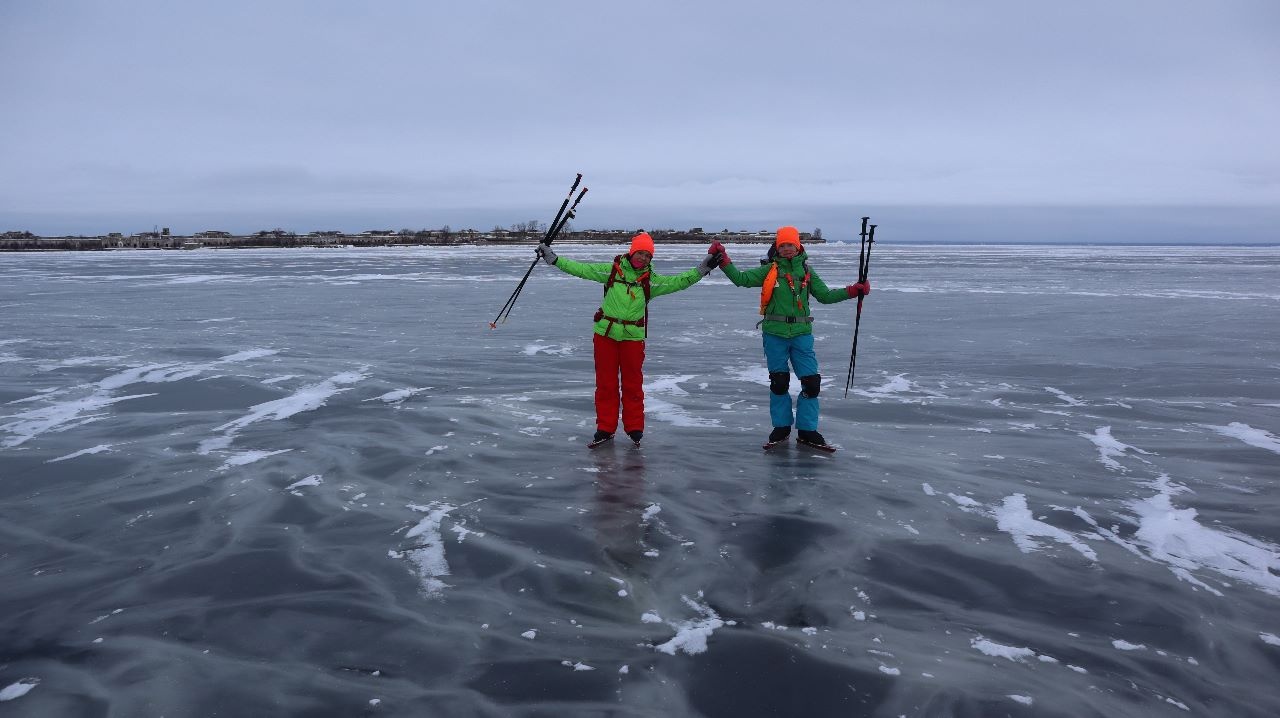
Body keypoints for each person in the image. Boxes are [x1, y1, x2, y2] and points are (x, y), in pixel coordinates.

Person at [536, 232, 717, 445]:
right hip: (605, 336)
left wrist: (701, 270)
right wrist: (555, 259)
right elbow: (582, 269)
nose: (643, 258)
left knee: (633, 384)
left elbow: (679, 282)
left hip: (632, 339)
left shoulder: (651, 281)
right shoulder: (612, 271)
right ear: (632, 253)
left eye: (648, 256)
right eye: (640, 253)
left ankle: (634, 428)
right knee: (606, 384)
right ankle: (605, 428)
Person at [710, 226, 869, 447]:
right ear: (777, 247)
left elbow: (824, 296)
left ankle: (807, 430)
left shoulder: (807, 271)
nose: (786, 249)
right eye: (782, 245)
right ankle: (781, 427)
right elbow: (741, 279)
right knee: (779, 383)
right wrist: (724, 261)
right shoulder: (769, 271)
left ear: (798, 246)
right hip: (774, 334)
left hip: (802, 335)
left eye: (790, 245)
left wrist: (853, 291)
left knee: (812, 384)